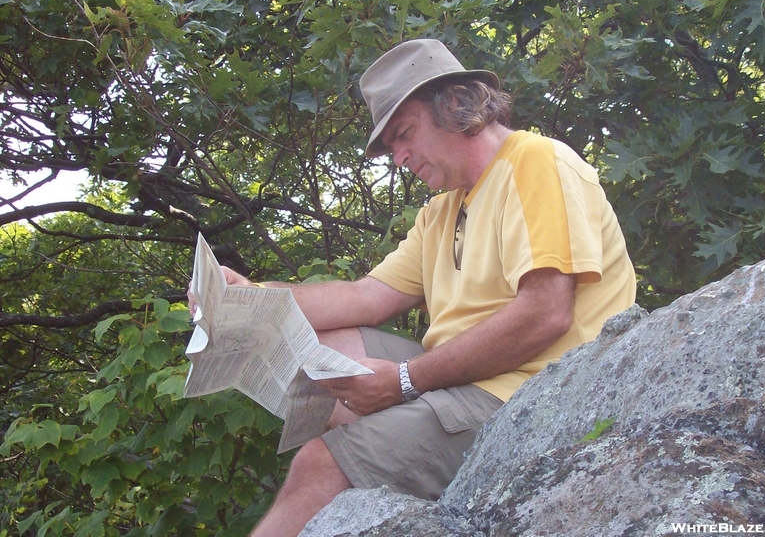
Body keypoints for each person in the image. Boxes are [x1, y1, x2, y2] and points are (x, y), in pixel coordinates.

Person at [188, 38, 637, 537]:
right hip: (461, 382)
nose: (398, 158)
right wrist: (248, 296)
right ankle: (382, 454)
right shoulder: (442, 210)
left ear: (457, 106)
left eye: (404, 134)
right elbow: (365, 296)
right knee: (320, 349)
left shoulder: (537, 162)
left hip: (533, 397)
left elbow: (546, 313)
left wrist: (404, 380)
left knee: (319, 464)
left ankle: (361, 461)